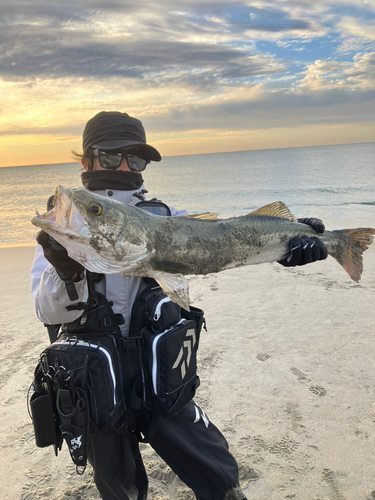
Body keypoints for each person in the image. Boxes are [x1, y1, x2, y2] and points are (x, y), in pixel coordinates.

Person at [30, 111, 328, 500]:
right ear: (85, 161)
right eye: (108, 158)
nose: (123, 167)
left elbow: (225, 235)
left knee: (216, 471)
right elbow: (46, 313)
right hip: (96, 384)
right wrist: (66, 271)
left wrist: (285, 239)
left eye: (135, 159)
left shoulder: (168, 218)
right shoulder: (63, 227)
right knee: (118, 487)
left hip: (162, 373)